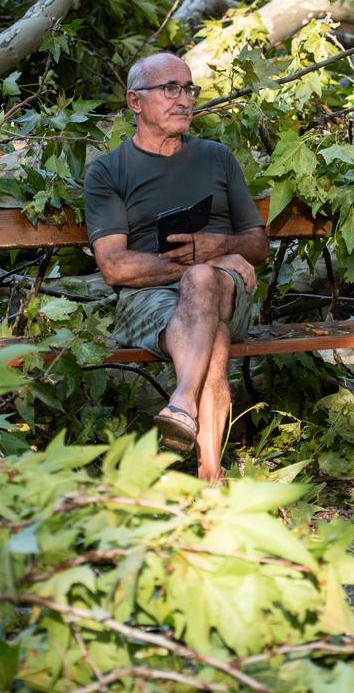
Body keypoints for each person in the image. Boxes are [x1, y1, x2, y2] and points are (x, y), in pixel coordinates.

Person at [83, 53, 270, 482]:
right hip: (145, 304)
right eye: (170, 89)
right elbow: (114, 268)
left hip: (228, 290)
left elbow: (257, 244)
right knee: (212, 332)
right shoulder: (109, 171)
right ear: (135, 101)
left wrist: (217, 248)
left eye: (188, 89)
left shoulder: (217, 158)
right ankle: (210, 475)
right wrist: (201, 260)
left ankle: (182, 401)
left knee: (204, 279)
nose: (184, 100)